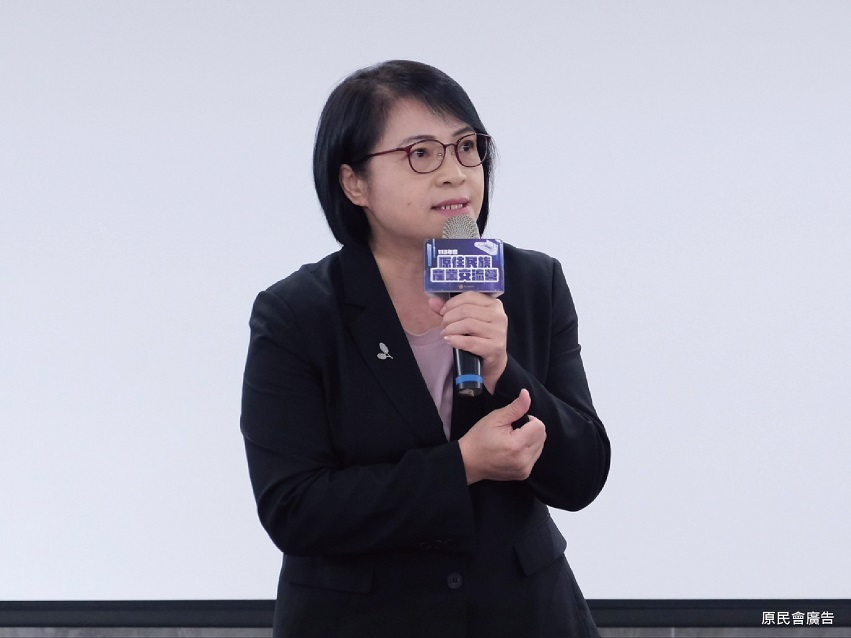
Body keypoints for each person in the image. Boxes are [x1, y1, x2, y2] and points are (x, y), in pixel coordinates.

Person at [240, 59, 611, 638]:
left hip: (522, 615)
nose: (454, 174)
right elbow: (295, 508)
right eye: (420, 154)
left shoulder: (534, 282)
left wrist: (503, 369)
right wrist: (461, 467)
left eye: (466, 148)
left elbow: (583, 475)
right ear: (354, 183)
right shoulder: (297, 313)